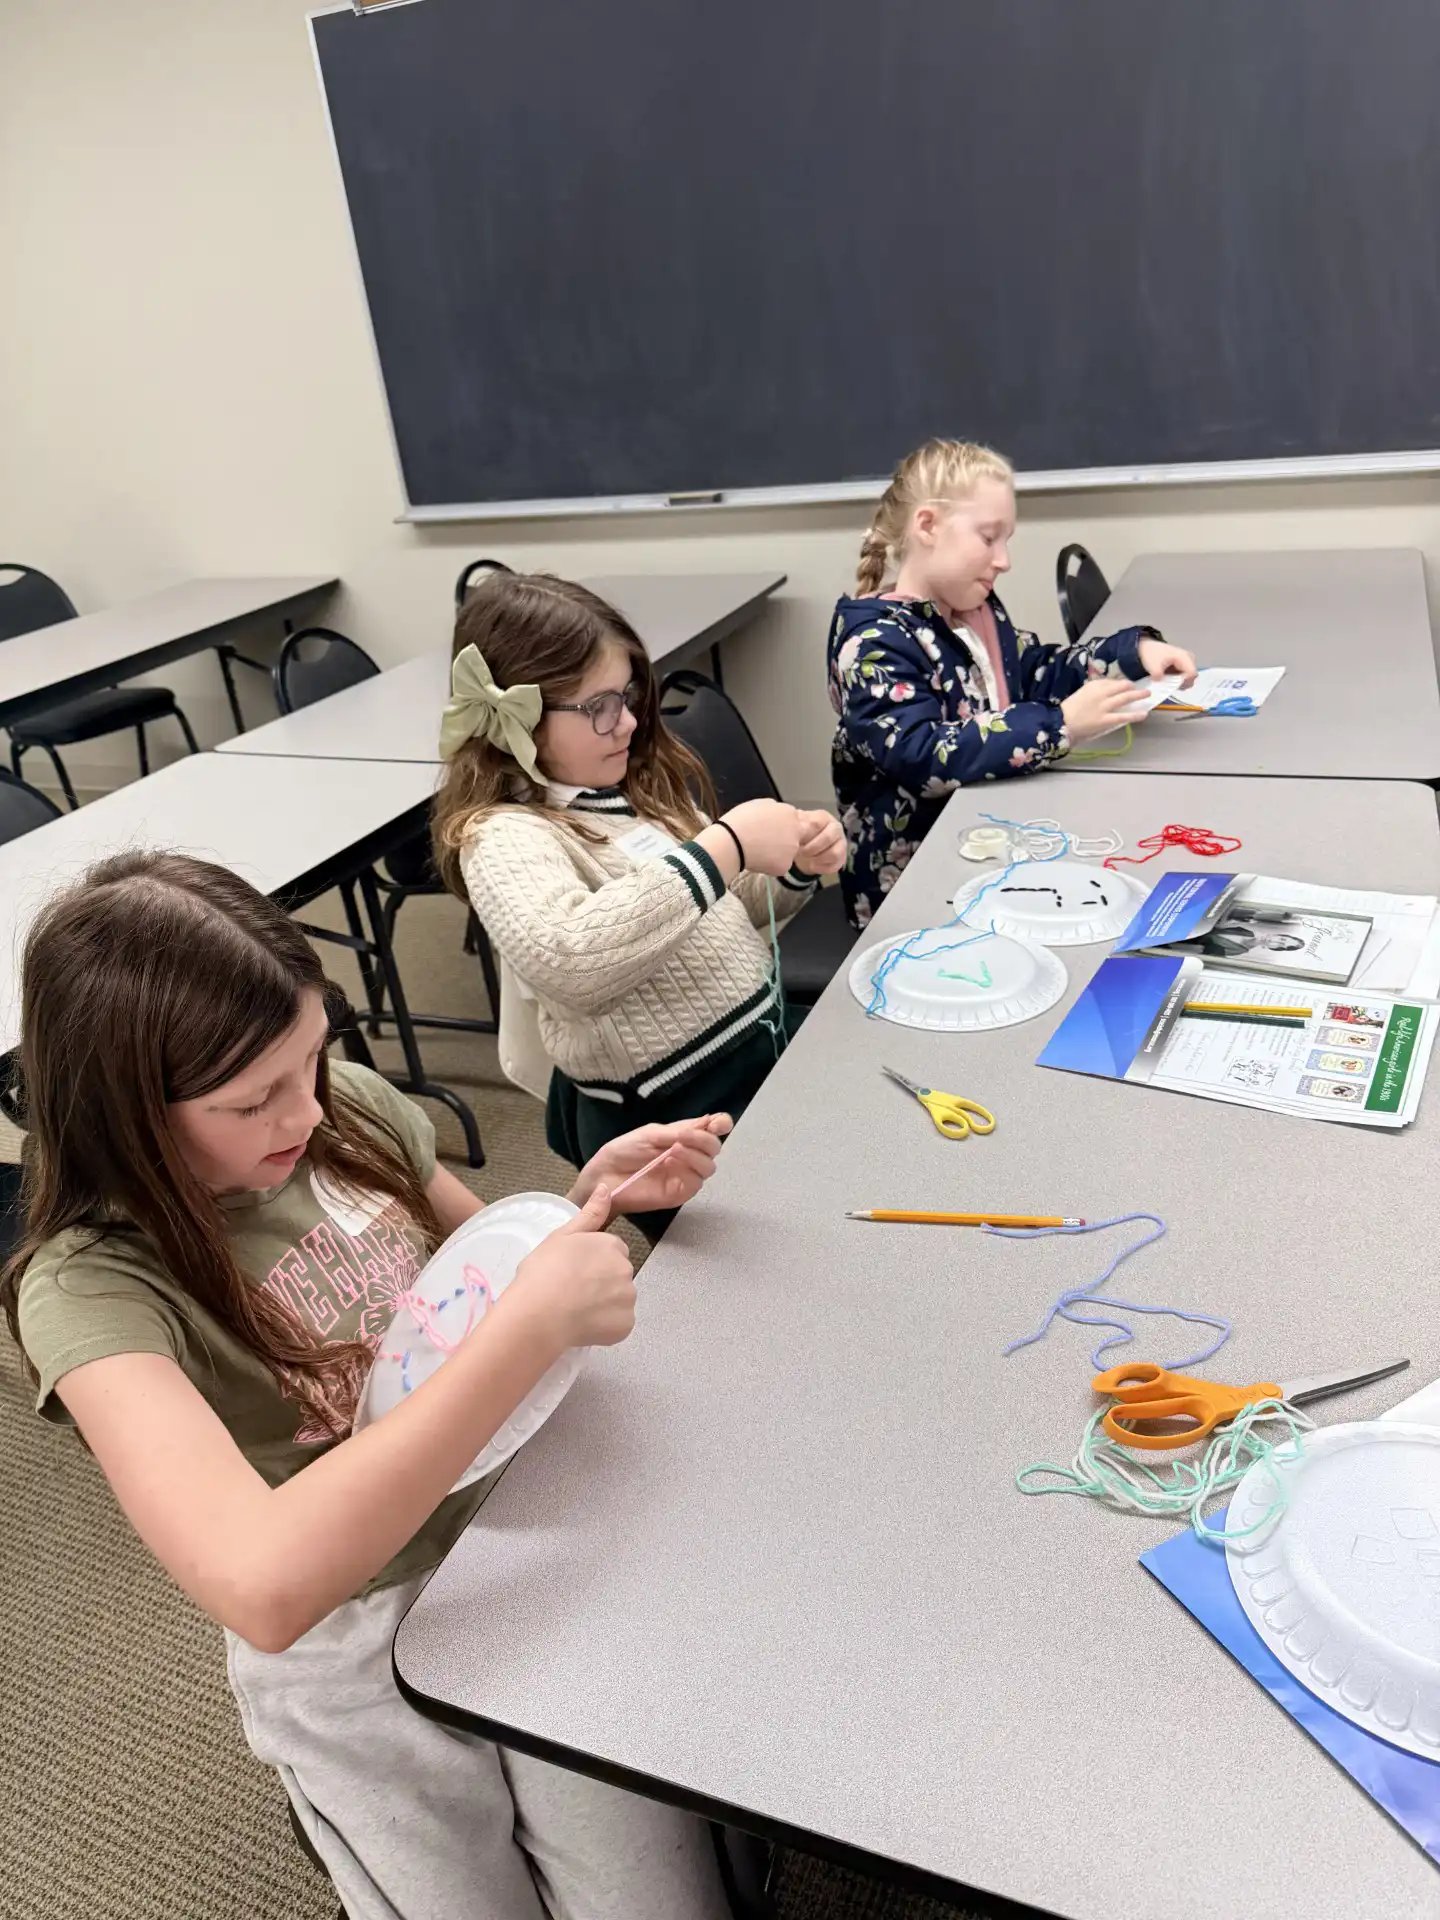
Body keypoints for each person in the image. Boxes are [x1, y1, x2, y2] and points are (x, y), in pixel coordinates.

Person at [1, 852, 737, 1920]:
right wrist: (523, 1336)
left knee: (650, 1894)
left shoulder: (338, 1111)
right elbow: (263, 1586)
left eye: (311, 1058)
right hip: (356, 1647)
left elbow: (471, 1274)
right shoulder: (92, 1290)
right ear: (125, 1110)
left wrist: (580, 1208)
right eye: (251, 1099)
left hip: (514, 1548)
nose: (300, 1112)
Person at [433, 571, 845, 1236]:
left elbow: (725, 907)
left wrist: (791, 868)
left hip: (751, 1056)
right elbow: (574, 958)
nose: (626, 721)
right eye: (598, 707)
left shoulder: (631, 792)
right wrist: (727, 846)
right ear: (521, 720)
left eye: (627, 696)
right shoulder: (502, 836)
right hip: (669, 1118)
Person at [827, 438, 1196, 926]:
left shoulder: (972, 614)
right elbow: (921, 756)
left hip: (990, 846)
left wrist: (1131, 654)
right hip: (909, 891)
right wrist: (1059, 725)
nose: (1004, 559)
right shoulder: (874, 643)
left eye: (1007, 540)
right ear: (928, 526)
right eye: (988, 537)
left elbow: (1037, 670)